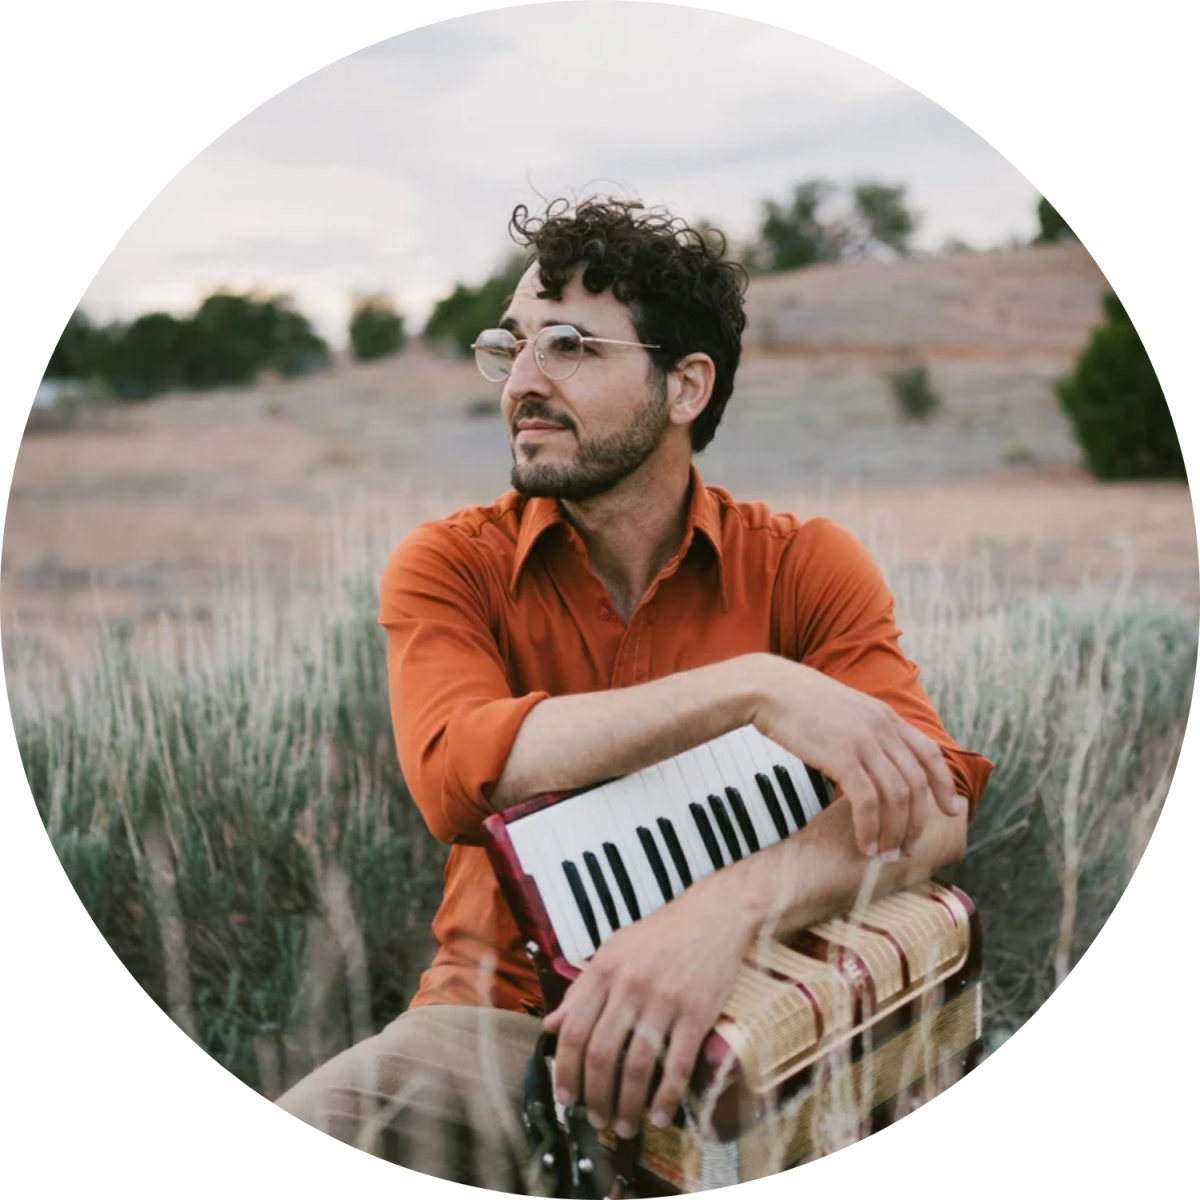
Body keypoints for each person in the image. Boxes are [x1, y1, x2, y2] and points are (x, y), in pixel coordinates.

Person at [273, 196, 994, 1189]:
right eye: (512, 346)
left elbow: (936, 806)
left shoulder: (805, 566)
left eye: (570, 346)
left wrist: (717, 920)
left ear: (686, 384)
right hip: (501, 1026)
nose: (523, 382)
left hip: (758, 1016)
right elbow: (454, 771)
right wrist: (748, 687)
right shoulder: (451, 563)